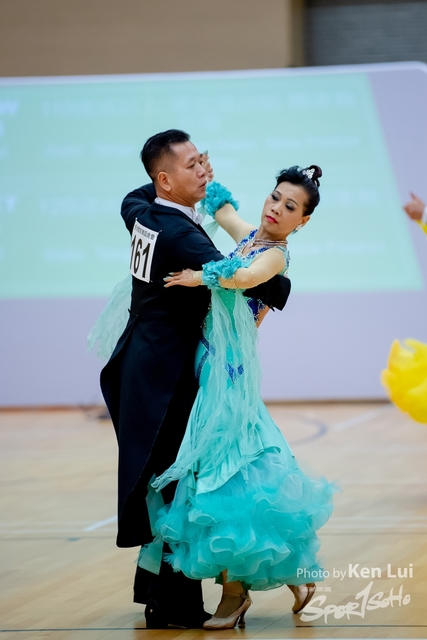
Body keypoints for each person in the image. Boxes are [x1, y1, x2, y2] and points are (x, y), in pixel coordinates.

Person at [97, 129, 291, 629]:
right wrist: (281, 267)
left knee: (163, 481)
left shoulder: (141, 209)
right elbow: (238, 277)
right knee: (173, 483)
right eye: (191, 165)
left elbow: (134, 194)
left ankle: (157, 595)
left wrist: (189, 184)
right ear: (165, 180)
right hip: (163, 376)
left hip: (140, 362)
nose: (204, 169)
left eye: (203, 159)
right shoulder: (181, 235)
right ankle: (175, 604)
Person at [139, 165, 337, 630]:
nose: (276, 208)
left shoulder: (275, 258)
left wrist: (201, 276)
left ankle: (235, 593)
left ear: (302, 221)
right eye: (275, 197)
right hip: (205, 357)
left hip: (229, 368)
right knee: (237, 467)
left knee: (226, 470)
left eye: (290, 206)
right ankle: (290, 574)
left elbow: (245, 277)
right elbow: (223, 209)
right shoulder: (250, 233)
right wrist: (200, 174)